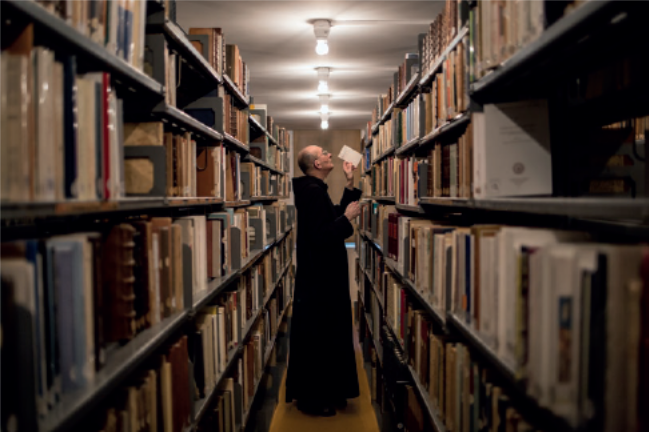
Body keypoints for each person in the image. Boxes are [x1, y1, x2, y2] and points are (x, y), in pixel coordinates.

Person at [285, 145, 362, 417]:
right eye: (324, 152)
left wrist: (350, 183)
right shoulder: (312, 192)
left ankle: (329, 391)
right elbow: (321, 236)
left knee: (326, 335)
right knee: (320, 337)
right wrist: (348, 219)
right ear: (317, 164)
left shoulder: (315, 190)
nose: (330, 154)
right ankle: (313, 399)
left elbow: (332, 216)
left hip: (321, 279)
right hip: (321, 282)